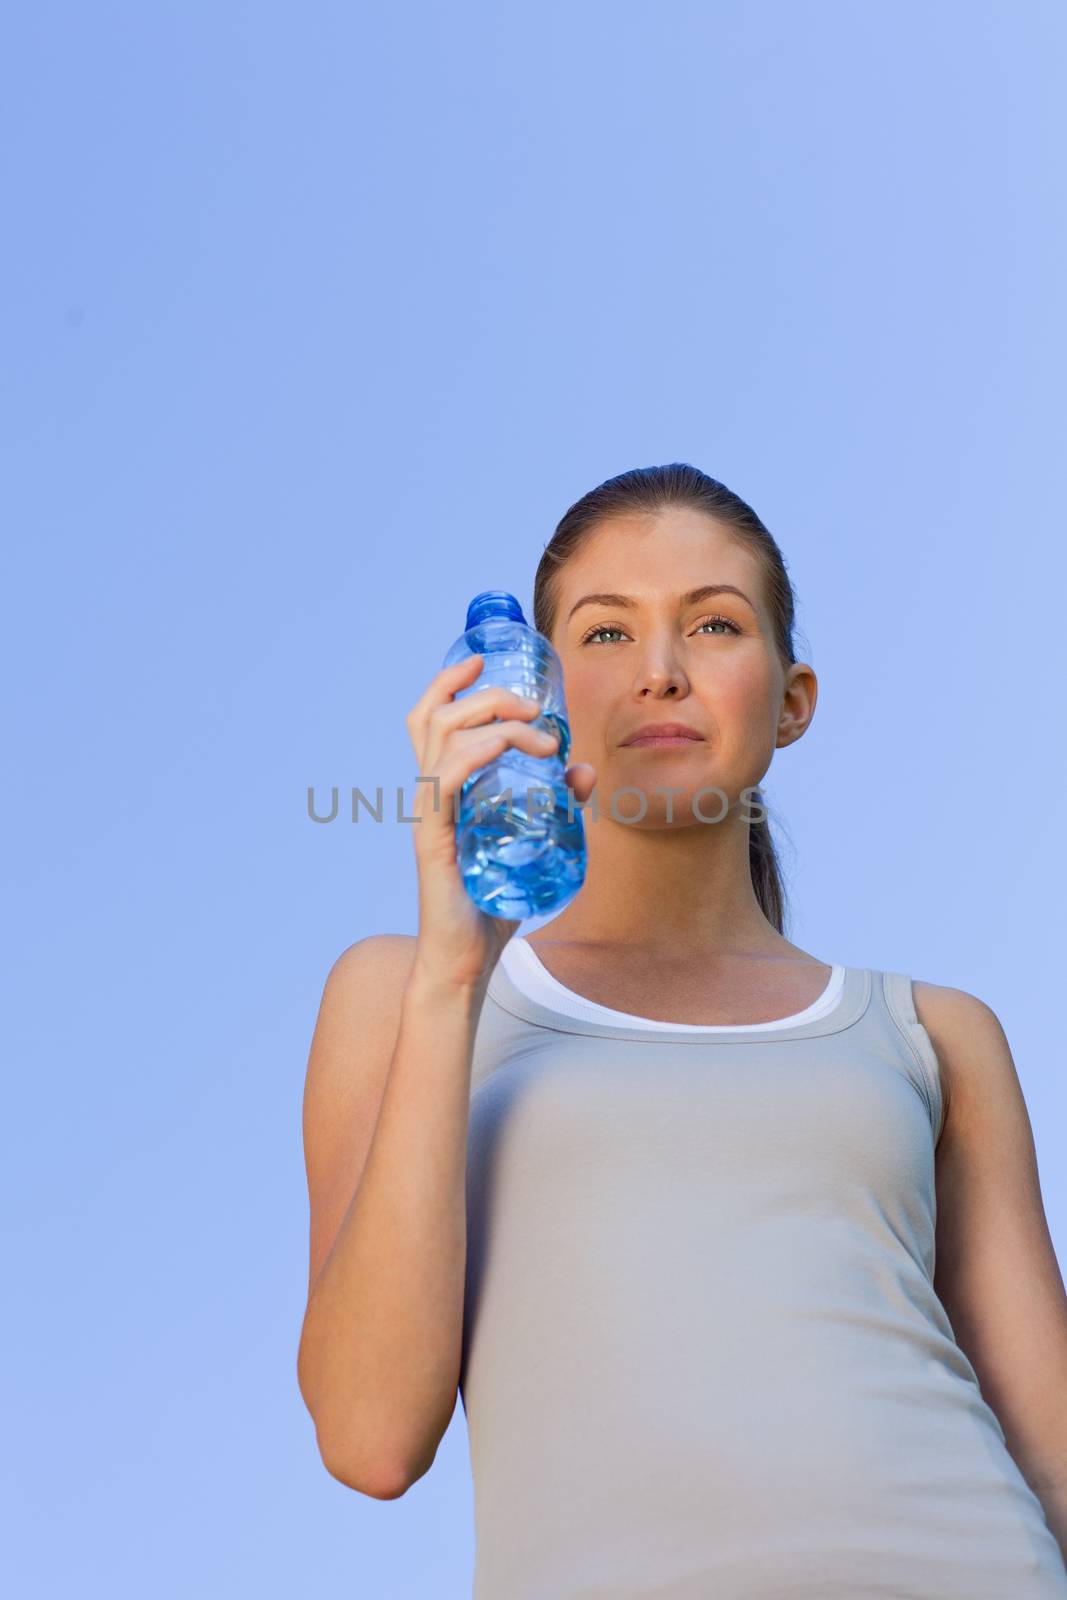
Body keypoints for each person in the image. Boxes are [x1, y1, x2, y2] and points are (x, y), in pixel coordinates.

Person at [297, 463, 1067, 1597]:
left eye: (712, 624)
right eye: (604, 635)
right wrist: (455, 970)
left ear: (791, 697)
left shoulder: (932, 1031)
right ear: (534, 692)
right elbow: (369, 1438)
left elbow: (1050, 1454)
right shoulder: (407, 995)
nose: (659, 672)